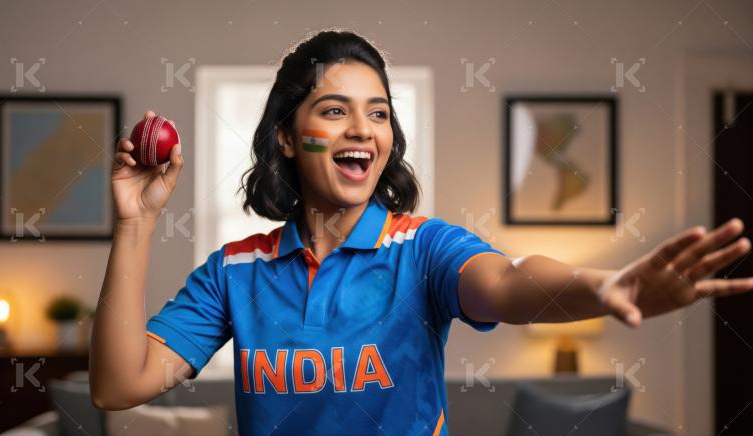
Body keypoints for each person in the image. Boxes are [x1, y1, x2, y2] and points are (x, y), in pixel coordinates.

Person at [89, 29, 753, 435]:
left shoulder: (422, 249)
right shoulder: (235, 272)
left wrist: (600, 284)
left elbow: (512, 283)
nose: (362, 130)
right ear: (288, 137)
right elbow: (119, 385)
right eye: (334, 110)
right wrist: (136, 222)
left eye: (377, 114)